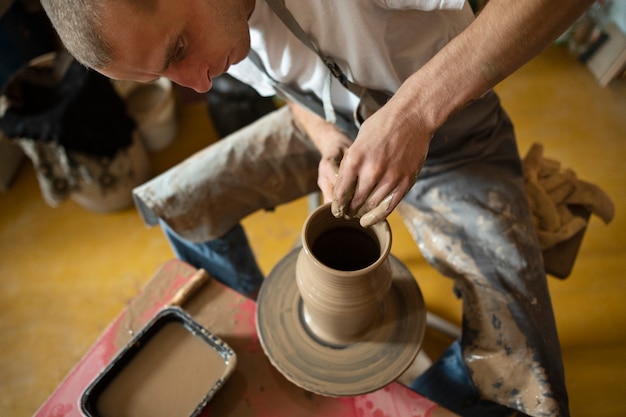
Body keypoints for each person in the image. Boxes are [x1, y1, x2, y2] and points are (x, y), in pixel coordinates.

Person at [40, 0, 595, 416]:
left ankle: (406, 397)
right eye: (168, 74)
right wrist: (325, 138)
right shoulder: (215, 19)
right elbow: (285, 89)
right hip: (330, 129)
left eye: (180, 51)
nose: (198, 85)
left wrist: (415, 113)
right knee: (178, 201)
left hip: (452, 141)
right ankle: (272, 335)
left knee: (526, 383)